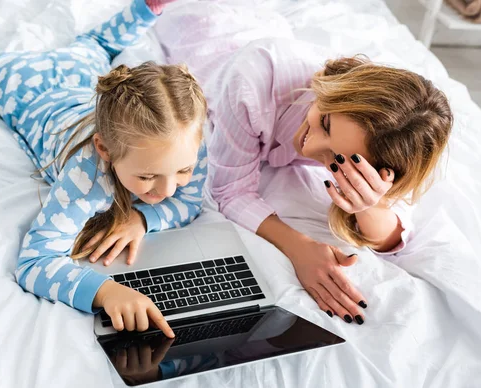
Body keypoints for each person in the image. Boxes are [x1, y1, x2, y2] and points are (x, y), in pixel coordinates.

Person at [0, 0, 209, 337]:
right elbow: (34, 263)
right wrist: (105, 291)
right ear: (104, 150)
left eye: (182, 171)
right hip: (20, 85)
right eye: (146, 177)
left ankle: (146, 7)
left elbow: (189, 202)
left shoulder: (184, 140)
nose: (168, 189)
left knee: (98, 44)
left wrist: (143, 219)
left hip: (80, 68)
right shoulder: (86, 178)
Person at [154, 2, 453, 324]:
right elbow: (229, 190)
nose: (311, 148)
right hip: (203, 24)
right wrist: (300, 247)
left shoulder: (394, 130)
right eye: (325, 123)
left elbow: (392, 236)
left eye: (336, 158)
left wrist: (371, 205)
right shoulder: (256, 78)